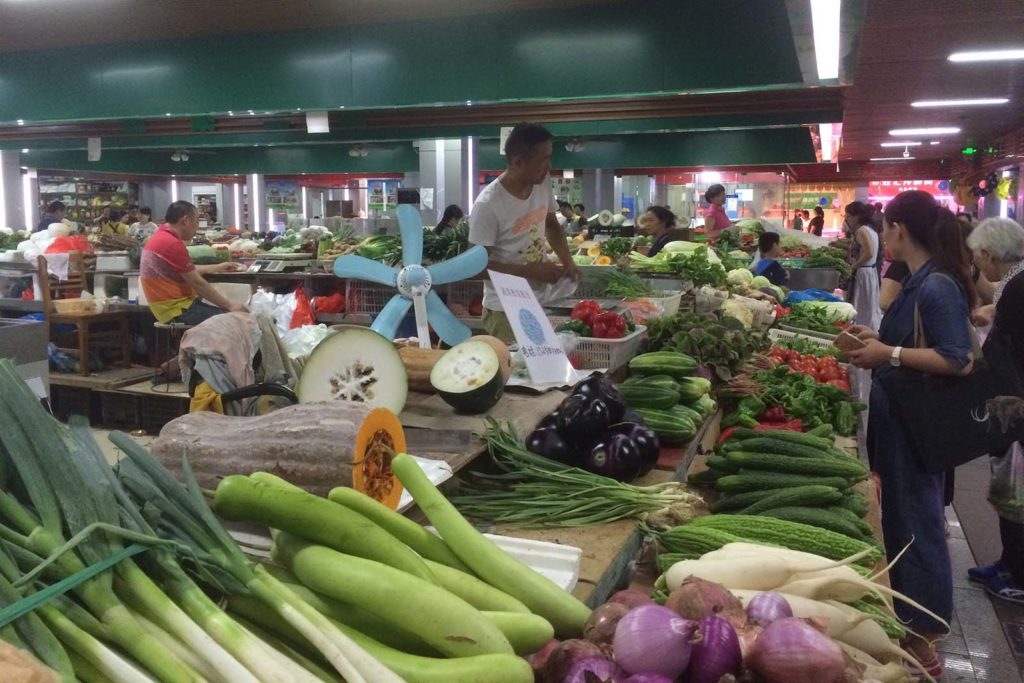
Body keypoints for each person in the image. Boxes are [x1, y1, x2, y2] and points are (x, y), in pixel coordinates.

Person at [847, 190, 977, 677]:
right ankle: (907, 621)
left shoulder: (936, 286)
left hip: (917, 429)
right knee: (902, 519)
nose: (883, 237)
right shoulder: (921, 279)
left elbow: (957, 358)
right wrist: (876, 343)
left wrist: (890, 356)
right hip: (899, 421)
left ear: (900, 229)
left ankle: (924, 638)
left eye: (886, 229)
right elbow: (907, 343)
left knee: (918, 524)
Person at [468, 123, 578, 342]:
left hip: (539, 299)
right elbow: (475, 268)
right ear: (518, 162)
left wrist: (568, 262)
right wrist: (531, 272)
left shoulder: (541, 182)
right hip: (505, 308)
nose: (549, 166)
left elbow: (551, 223)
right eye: (543, 159)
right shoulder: (488, 205)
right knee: (518, 372)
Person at [965, 218, 1024, 603]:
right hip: (1010, 404)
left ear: (988, 254)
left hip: (1017, 405)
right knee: (1008, 489)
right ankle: (1007, 562)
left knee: (1017, 494)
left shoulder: (1019, 286)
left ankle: (1018, 577)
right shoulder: (1015, 281)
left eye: (977, 257)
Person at [140, 200, 247, 326]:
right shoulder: (171, 243)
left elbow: (185, 270)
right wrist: (230, 306)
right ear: (185, 221)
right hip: (177, 309)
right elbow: (197, 282)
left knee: (228, 313)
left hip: (167, 307)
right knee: (237, 321)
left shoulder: (160, 236)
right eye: (196, 222)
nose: (197, 227)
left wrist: (217, 267)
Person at [844, 201, 881, 329]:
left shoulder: (862, 230)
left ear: (856, 216)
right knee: (869, 304)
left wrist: (854, 266)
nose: (847, 219)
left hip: (863, 272)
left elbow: (869, 253)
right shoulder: (871, 229)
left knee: (861, 304)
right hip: (869, 271)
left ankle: (861, 330)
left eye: (848, 216)